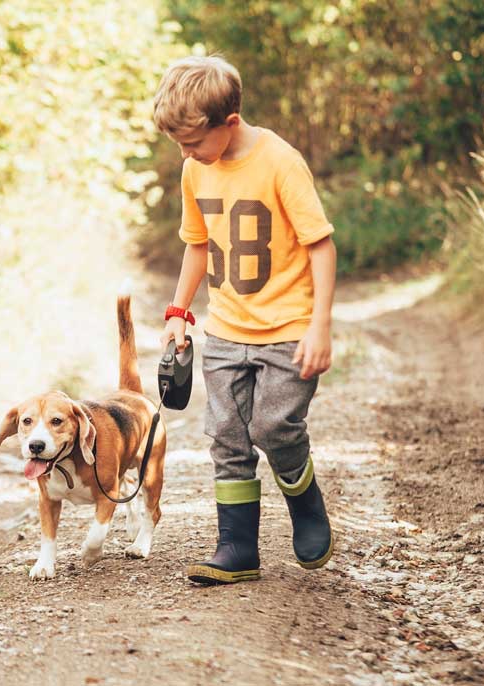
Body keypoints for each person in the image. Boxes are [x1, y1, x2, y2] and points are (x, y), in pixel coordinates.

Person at [153, 55, 337, 584]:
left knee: (274, 427)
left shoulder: (280, 162)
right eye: (180, 146)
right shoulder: (196, 168)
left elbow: (321, 247)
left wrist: (320, 325)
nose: (186, 154)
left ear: (228, 123)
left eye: (192, 142)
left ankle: (304, 500)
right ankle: (237, 548)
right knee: (227, 434)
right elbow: (197, 245)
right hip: (226, 330)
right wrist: (178, 310)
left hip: (289, 330)